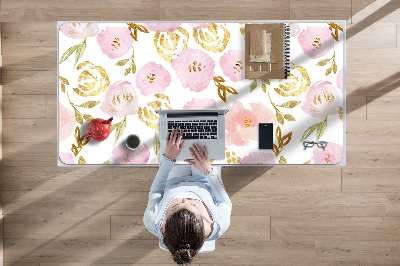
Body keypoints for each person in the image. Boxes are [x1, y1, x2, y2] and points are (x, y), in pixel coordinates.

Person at [144, 127, 232, 264]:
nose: (184, 198)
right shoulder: (220, 224)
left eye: (176, 206)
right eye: (192, 205)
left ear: (165, 224)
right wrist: (208, 171)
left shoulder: (153, 222)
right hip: (205, 180)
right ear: (204, 222)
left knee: (171, 143)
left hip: (173, 181)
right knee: (209, 139)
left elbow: (156, 192)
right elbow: (224, 202)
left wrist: (168, 159)